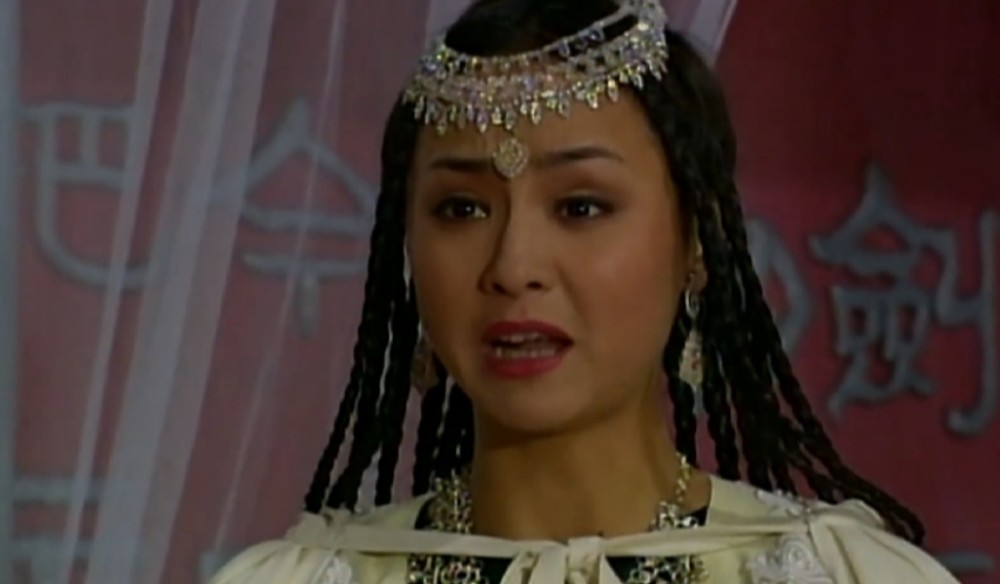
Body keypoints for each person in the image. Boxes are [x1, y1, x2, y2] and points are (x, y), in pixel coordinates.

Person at [210, 0, 959, 582]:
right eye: (461, 209)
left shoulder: (846, 575)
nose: (513, 266)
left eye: (580, 207)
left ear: (696, 243)